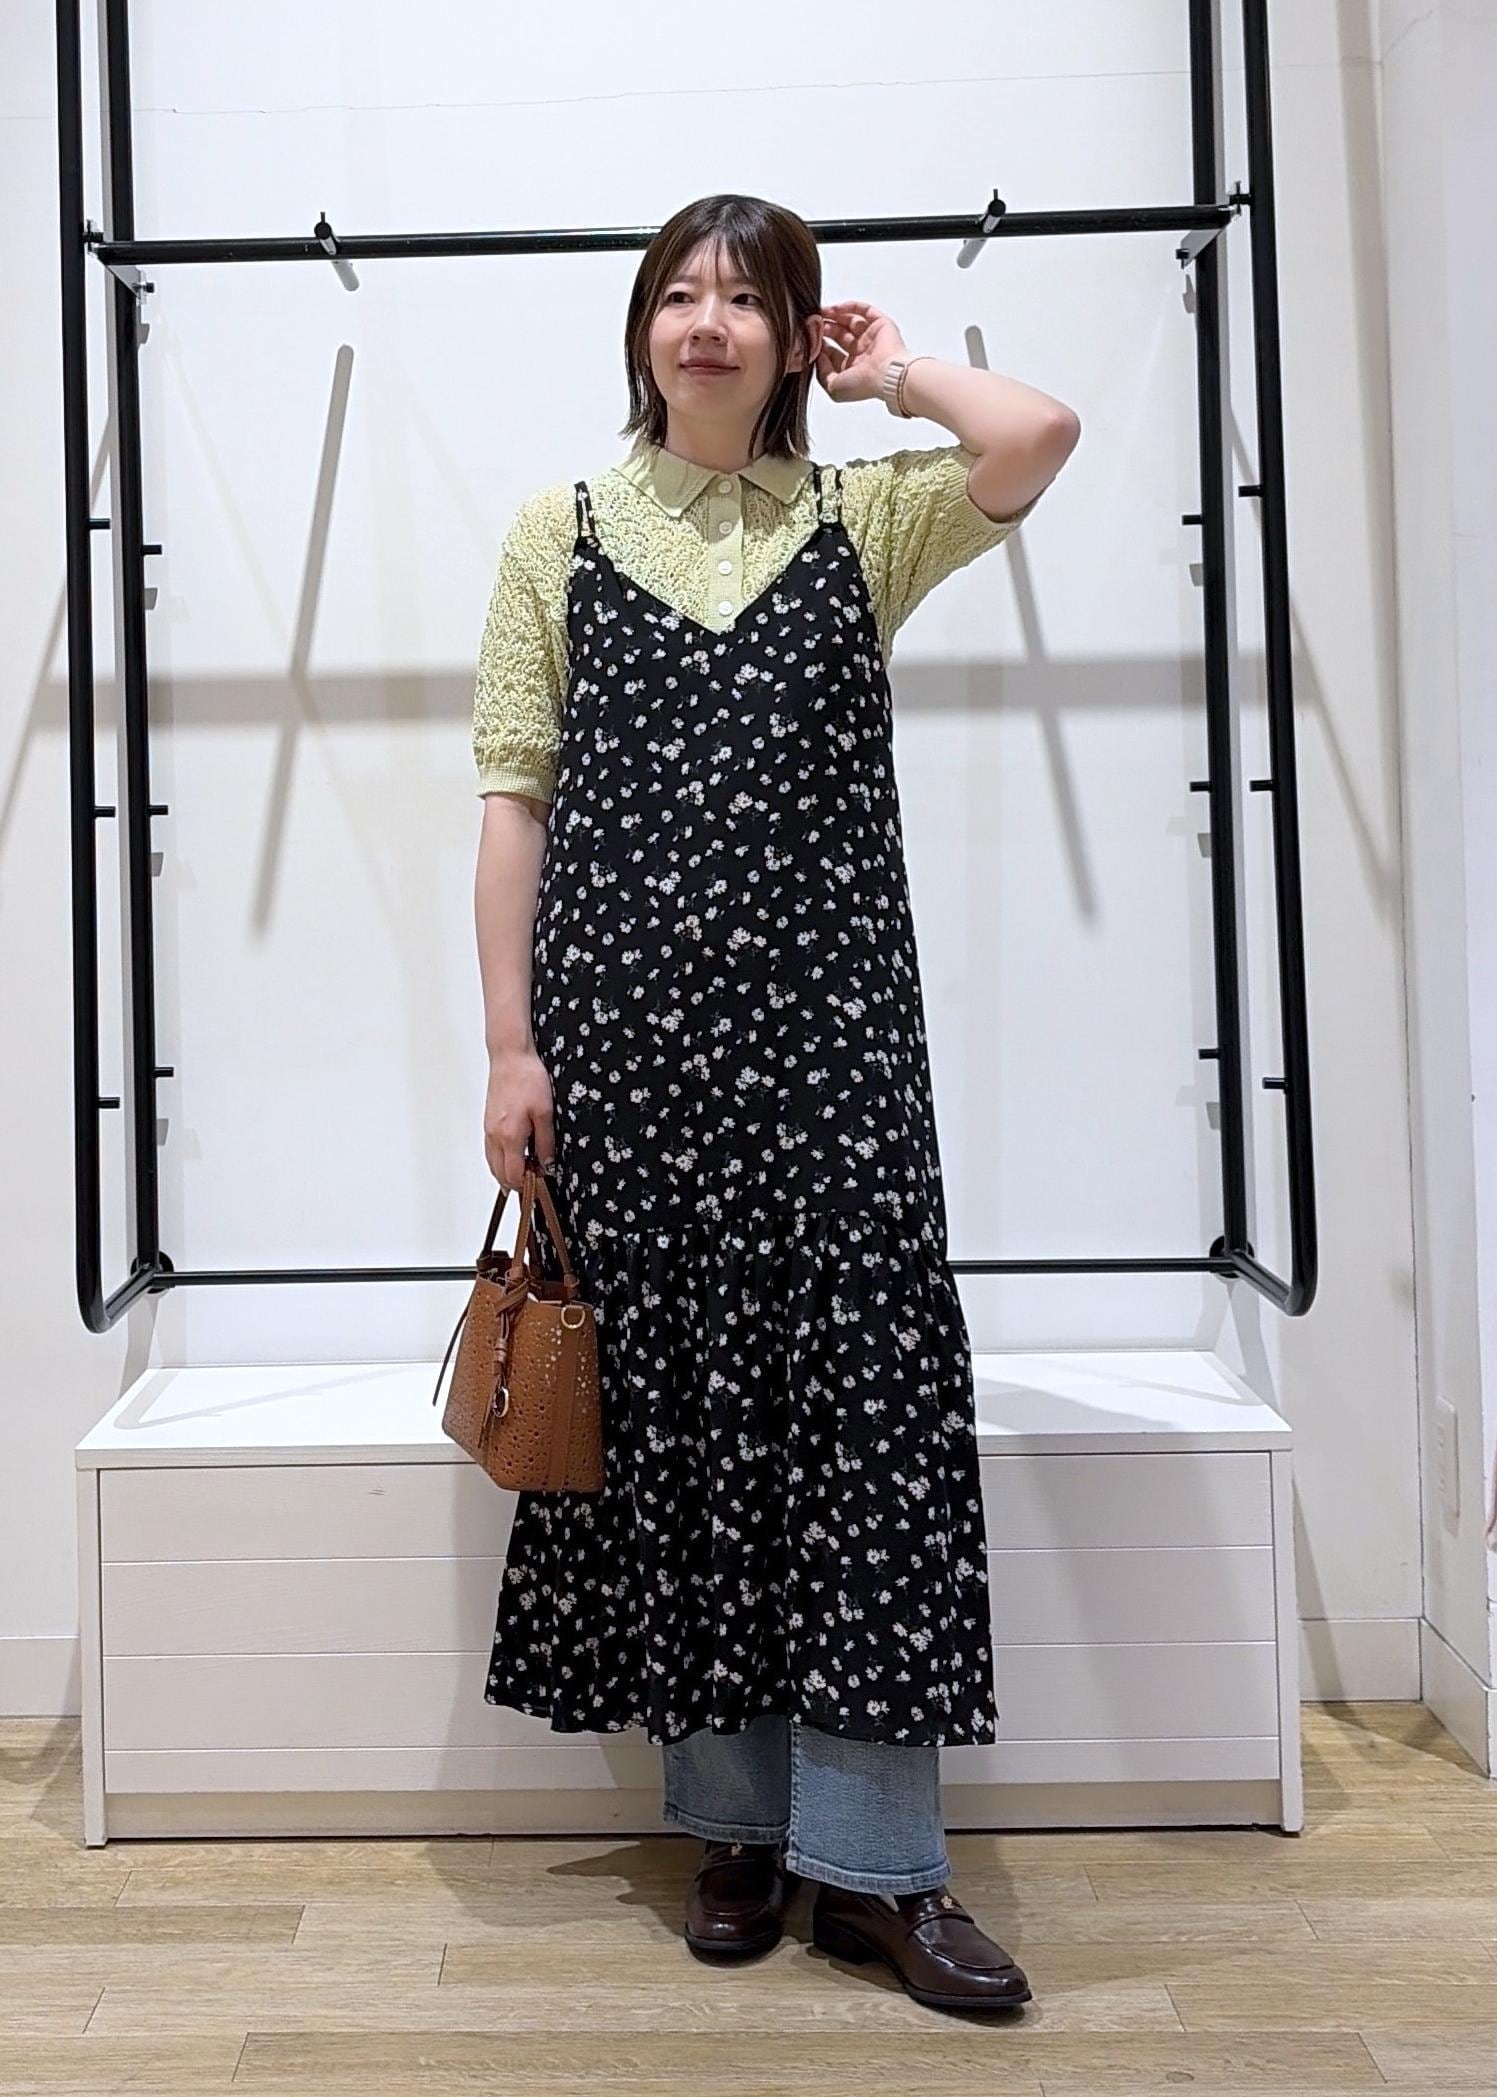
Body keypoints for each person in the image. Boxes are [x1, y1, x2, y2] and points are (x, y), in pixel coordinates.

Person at [471, 192, 1078, 2014]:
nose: (707, 322)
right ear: (639, 329)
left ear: (792, 332)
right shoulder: (562, 530)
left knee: (869, 1415)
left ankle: (880, 1870)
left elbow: (1036, 434)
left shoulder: (860, 520)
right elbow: (513, 795)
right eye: (679, 293)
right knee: (684, 1421)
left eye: (745, 297)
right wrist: (509, 1048)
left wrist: (899, 376)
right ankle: (734, 1830)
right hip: (632, 1057)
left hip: (834, 1056)